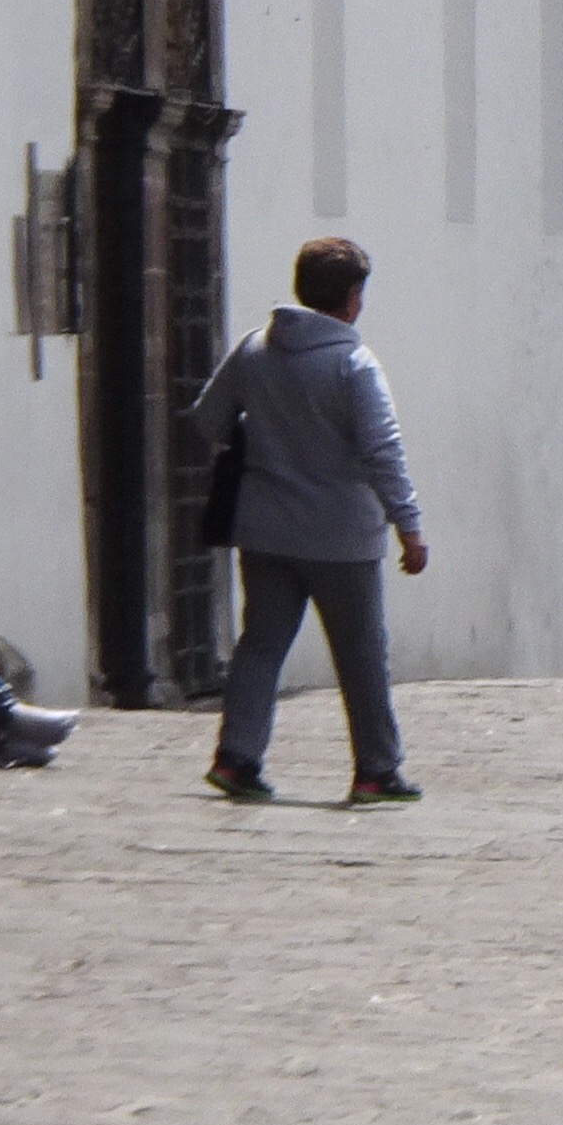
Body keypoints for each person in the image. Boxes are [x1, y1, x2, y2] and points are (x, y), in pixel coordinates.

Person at [189, 234, 430, 804]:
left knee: (260, 645)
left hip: (265, 528)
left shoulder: (254, 350)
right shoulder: (354, 364)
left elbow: (207, 417)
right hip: (341, 537)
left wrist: (260, 440)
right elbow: (382, 451)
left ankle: (236, 757)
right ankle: (376, 769)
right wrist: (408, 524)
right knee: (361, 654)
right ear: (351, 297)